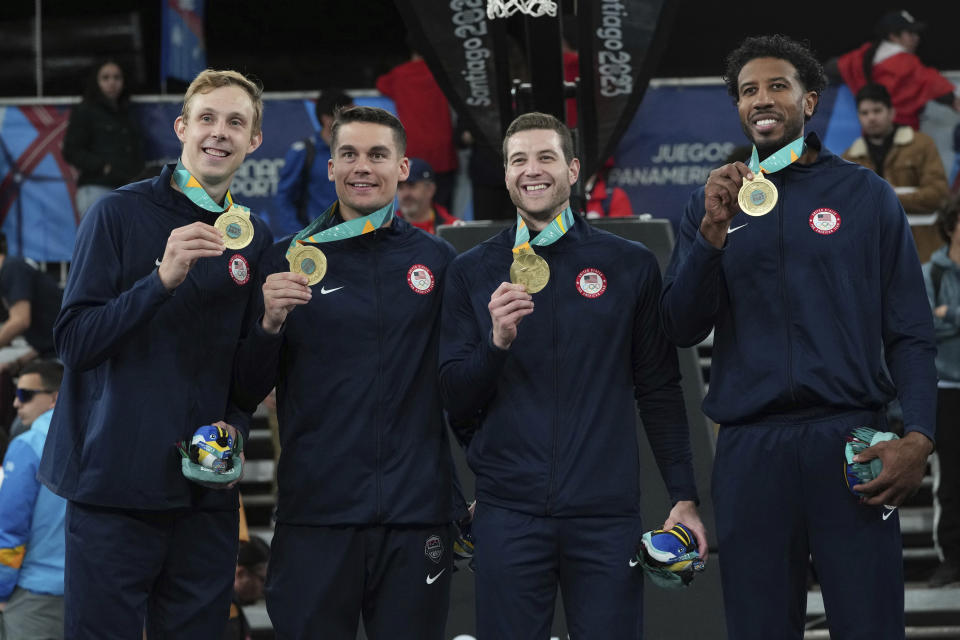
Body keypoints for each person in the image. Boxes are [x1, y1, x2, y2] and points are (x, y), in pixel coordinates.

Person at [661, 35, 937, 639]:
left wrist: (918, 435)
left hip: (848, 444)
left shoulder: (864, 196)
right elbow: (682, 327)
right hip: (750, 451)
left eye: (777, 86)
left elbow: (911, 331)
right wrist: (711, 235)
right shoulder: (714, 202)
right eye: (749, 90)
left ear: (809, 101)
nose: (763, 99)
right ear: (737, 107)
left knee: (870, 627)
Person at [438, 112, 706, 640]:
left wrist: (683, 494)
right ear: (506, 173)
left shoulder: (628, 264)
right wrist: (495, 345)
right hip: (509, 515)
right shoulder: (470, 271)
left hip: (605, 517)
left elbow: (658, 387)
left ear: (573, 169)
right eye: (518, 160)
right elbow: (453, 395)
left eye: (545, 157)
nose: (531, 170)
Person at [38, 69, 271, 639]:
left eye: (236, 122)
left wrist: (268, 328)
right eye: (208, 119)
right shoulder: (117, 214)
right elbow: (74, 343)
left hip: (206, 491)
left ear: (254, 140)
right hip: (115, 489)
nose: (220, 133)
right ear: (182, 128)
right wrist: (159, 281)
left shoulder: (254, 238)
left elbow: (244, 381)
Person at [232, 105, 466, 640]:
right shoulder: (285, 259)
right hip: (318, 513)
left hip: (414, 517)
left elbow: (461, 384)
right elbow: (245, 388)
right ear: (332, 167)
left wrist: (457, 499)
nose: (363, 166)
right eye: (350, 154)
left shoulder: (438, 260)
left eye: (378, 155)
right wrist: (267, 324)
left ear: (403, 168)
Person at [0, 360, 64, 640]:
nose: (16, 403)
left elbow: (10, 529)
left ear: (55, 398)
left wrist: (1, 589)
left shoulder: (27, 445)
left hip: (33, 597)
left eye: (25, 395)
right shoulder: (101, 442)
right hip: (92, 591)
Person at [831, 10, 960, 130]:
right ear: (893, 36)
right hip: (903, 134)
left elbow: (833, 67)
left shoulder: (863, 55)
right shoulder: (905, 62)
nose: (917, 38)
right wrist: (953, 100)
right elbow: (929, 82)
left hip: (871, 133)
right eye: (910, 33)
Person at [924, 197, 960, 587]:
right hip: (947, 388)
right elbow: (924, 328)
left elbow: (940, 320)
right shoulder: (930, 273)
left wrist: (950, 314)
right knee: (949, 479)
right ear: (950, 225)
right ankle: (952, 557)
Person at [843, 84, 948, 214]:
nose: (871, 118)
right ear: (858, 117)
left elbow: (939, 195)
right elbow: (843, 202)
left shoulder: (922, 144)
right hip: (873, 233)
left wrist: (892, 197)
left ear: (892, 113)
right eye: (864, 113)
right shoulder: (849, 158)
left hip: (917, 233)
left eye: (877, 110)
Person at [376, 43, 458, 209]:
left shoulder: (399, 74)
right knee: (442, 212)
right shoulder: (444, 73)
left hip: (413, 153)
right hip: (443, 152)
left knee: (412, 211)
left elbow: (380, 84)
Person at [63, 59, 145, 217]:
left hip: (126, 189)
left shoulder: (127, 112)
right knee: (98, 240)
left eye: (117, 77)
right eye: (105, 78)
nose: (112, 83)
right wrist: (103, 167)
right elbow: (71, 150)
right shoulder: (85, 110)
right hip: (96, 188)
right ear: (96, 81)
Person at [271, 88, 353, 238]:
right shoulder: (304, 152)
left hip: (354, 239)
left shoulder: (359, 151)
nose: (354, 120)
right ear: (327, 119)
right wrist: (300, 236)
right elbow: (284, 199)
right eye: (348, 115)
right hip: (318, 243)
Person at [0, 231, 63, 374]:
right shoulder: (14, 269)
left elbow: (20, 321)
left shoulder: (12, 269)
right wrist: (17, 363)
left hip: (65, 355)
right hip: (58, 353)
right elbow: (47, 338)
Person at [397, 158, 462, 234]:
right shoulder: (384, 229)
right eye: (400, 187)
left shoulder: (453, 228)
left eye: (412, 185)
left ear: (430, 190)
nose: (405, 194)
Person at [222, 536, 270, 640]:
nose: (265, 589)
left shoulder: (229, 608)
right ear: (241, 573)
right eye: (263, 580)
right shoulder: (225, 614)